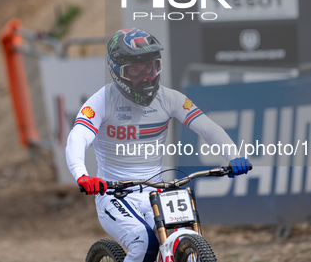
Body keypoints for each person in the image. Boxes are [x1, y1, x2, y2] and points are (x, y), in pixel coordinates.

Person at [66, 28, 251, 262]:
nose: (146, 77)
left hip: (157, 192)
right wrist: (82, 175)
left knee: (184, 235)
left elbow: (208, 128)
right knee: (144, 243)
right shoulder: (102, 101)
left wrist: (233, 156)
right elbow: (78, 137)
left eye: (150, 68)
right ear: (117, 71)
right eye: (135, 70)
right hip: (114, 195)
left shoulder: (170, 98)